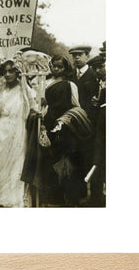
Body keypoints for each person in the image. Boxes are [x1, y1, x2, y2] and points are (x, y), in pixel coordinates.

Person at [43, 55, 93, 206]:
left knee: (68, 165)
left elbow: (76, 107)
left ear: (66, 68)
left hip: (66, 130)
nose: (56, 69)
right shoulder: (46, 83)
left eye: (60, 66)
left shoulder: (70, 85)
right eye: (54, 66)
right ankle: (55, 198)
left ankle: (71, 199)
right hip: (49, 126)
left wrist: (63, 121)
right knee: (52, 162)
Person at [0, 57, 37, 207]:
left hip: (18, 131)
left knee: (16, 164)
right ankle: (2, 198)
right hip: (1, 131)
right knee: (2, 164)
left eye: (11, 71)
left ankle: (16, 199)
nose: (8, 75)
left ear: (17, 73)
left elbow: (34, 107)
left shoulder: (24, 90)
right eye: (5, 72)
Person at [86, 54, 106, 207]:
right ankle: (96, 199)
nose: (98, 70)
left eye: (101, 67)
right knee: (98, 161)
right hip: (100, 128)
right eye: (95, 68)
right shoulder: (99, 82)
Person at [68, 46, 98, 120]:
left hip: (89, 117)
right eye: (74, 55)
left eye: (80, 55)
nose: (77, 58)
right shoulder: (70, 74)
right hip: (71, 116)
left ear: (87, 56)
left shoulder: (94, 75)